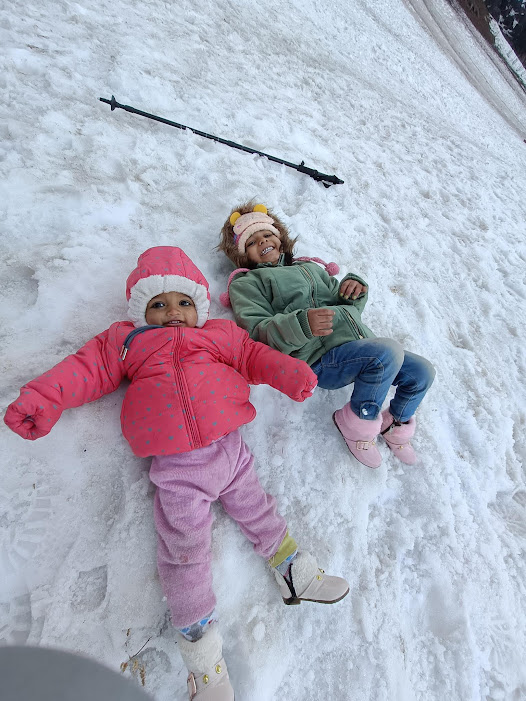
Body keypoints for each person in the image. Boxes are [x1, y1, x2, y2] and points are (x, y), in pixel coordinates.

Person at [4, 246, 349, 701]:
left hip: (230, 450)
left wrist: (289, 373)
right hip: (177, 468)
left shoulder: (218, 335)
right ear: (140, 311)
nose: (172, 312)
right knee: (184, 553)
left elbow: (254, 356)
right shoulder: (126, 342)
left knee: (260, 512)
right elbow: (83, 370)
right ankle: (204, 662)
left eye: (184, 302)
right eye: (159, 303)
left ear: (199, 306)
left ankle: (294, 571)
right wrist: (42, 400)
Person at [218, 203, 435, 469]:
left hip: (357, 346)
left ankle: (395, 424)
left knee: (422, 371)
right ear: (242, 255)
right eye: (251, 241)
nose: (262, 241)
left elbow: (345, 309)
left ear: (280, 238)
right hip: (321, 359)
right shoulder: (247, 283)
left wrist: (352, 293)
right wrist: (302, 324)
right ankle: (357, 424)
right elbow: (258, 332)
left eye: (267, 234)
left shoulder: (312, 269)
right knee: (386, 352)